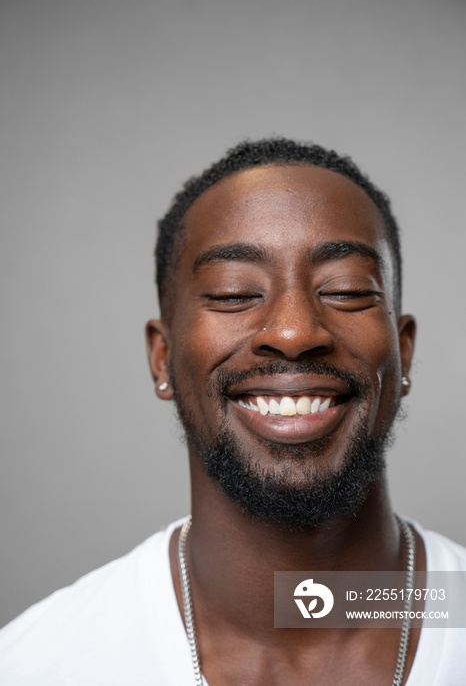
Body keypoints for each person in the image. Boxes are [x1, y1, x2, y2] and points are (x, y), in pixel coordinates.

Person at [1, 138, 465, 685]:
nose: (294, 332)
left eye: (344, 290)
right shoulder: (37, 664)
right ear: (163, 357)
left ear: (403, 349)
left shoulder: (451, 615)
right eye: (233, 293)